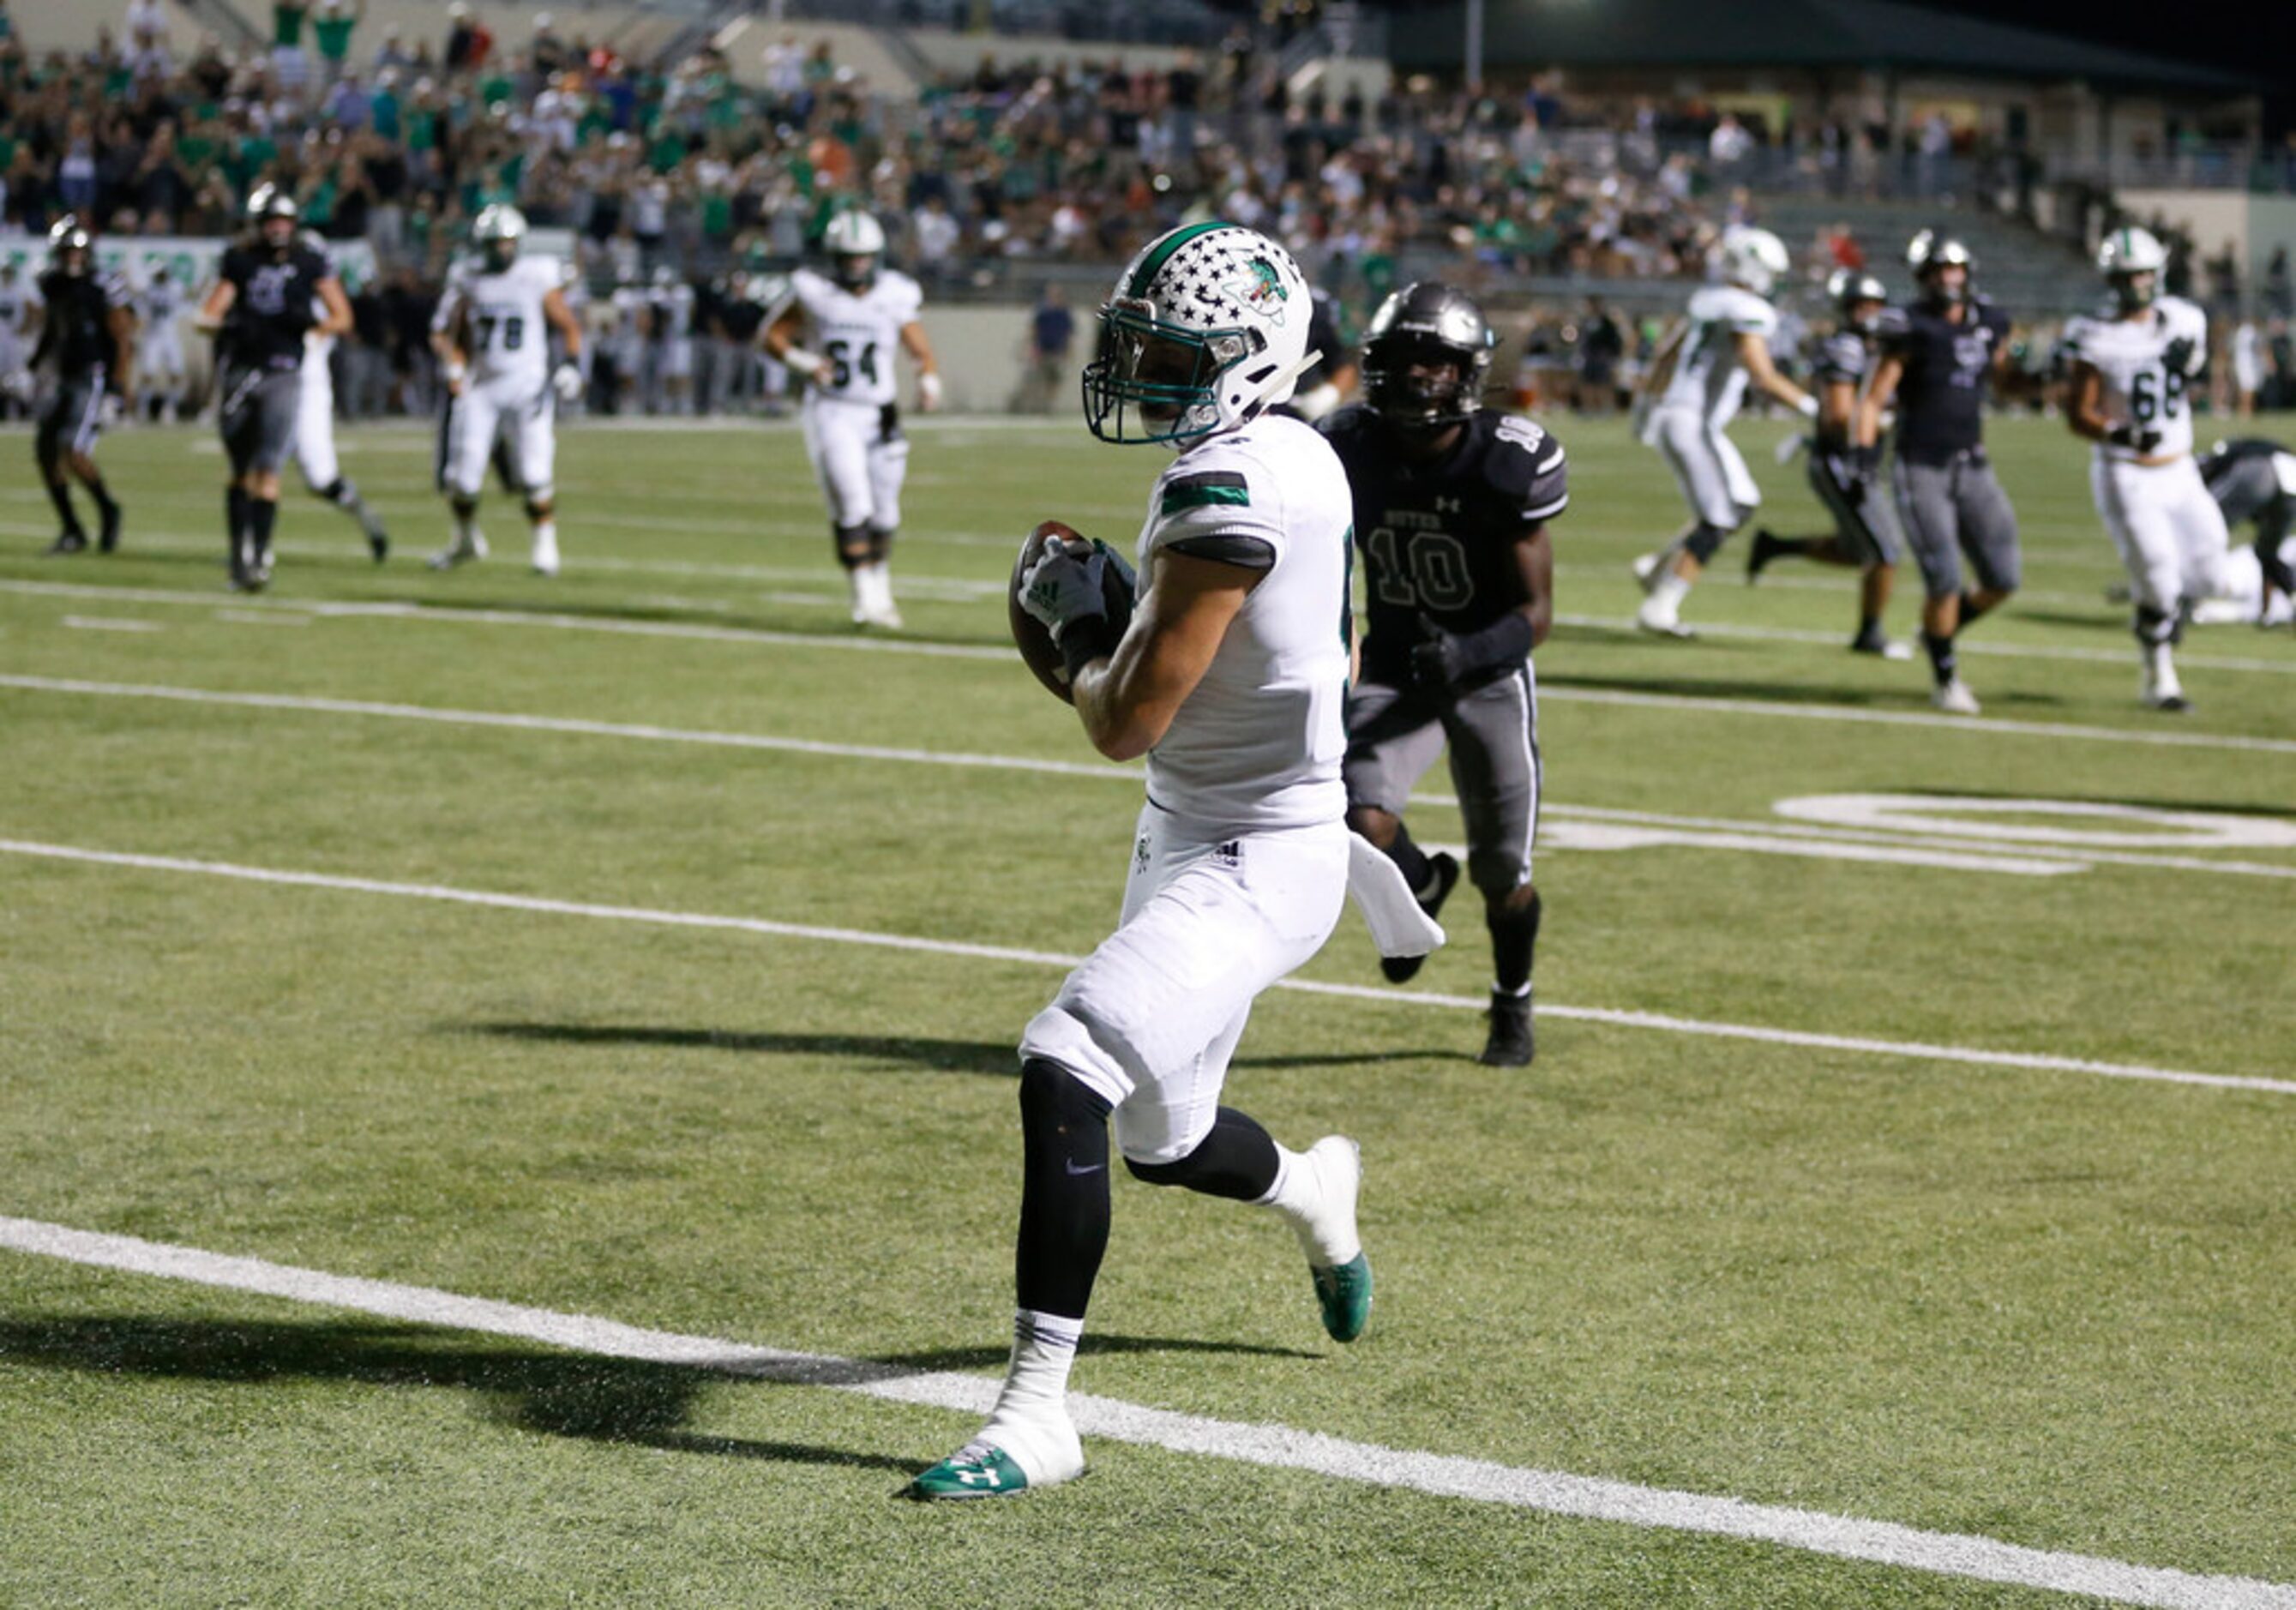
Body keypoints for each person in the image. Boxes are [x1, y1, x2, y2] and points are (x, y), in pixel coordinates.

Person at [906, 221, 1367, 1502]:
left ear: (1244, 356)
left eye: (1170, 356)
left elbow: (1121, 721)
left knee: (1066, 1062)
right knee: (1169, 1142)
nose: (1144, 377)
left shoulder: (1229, 487)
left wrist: (1070, 646)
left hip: (1257, 849)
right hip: (1199, 826)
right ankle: (1316, 1188)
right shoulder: (1295, 449)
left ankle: (1036, 1411)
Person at [1316, 282, 1562, 1066]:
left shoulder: (1506, 460)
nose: (1423, 377)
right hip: (1393, 666)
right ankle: (1418, 884)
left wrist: (1469, 654)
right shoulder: (1345, 445)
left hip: (1486, 674)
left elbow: (1536, 614)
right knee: (1361, 818)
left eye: (1439, 362)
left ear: (1468, 374)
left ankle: (1511, 1001)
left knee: (1503, 870)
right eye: (1407, 360)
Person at [2062, 227, 2230, 712]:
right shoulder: (2095, 333)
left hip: (2180, 468)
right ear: (2112, 279)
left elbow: (2190, 375)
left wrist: (2192, 367)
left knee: (2212, 572)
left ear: (2159, 272)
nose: (2138, 283)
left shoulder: (2183, 318)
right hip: (2126, 472)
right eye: (2128, 275)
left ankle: (2179, 611)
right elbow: (2078, 413)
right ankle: (2160, 678)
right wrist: (2122, 433)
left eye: (2144, 273)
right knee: (2158, 575)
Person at [1630, 225, 1818, 638]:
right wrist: (1812, 407)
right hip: (1693, 422)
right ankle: (1661, 606)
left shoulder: (1707, 301)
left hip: (1679, 418)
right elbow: (1763, 376)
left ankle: (1658, 568)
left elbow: (1664, 356)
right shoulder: (1746, 309)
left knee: (1741, 503)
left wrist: (1643, 410)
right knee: (1720, 516)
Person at [1860, 231, 2018, 714]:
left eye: (1953, 270)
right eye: (1937, 272)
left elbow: (2005, 382)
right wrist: (1863, 453)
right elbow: (1875, 395)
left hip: (1972, 464)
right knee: (1944, 579)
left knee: (2002, 578)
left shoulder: (1988, 322)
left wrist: (2042, 380)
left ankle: (1935, 635)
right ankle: (1946, 679)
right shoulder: (1912, 327)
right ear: (1924, 279)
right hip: (1921, 465)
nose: (1947, 279)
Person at [762, 210, 942, 629]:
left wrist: (929, 380)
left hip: (880, 413)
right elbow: (770, 335)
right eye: (848, 256)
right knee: (851, 501)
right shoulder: (815, 292)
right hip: (833, 409)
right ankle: (864, 595)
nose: (856, 264)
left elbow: (920, 349)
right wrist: (803, 360)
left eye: (863, 256)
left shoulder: (894, 293)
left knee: (885, 512)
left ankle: (879, 585)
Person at [1746, 267, 1907, 658]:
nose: (1868, 312)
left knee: (1858, 551)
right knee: (1885, 550)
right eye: (1860, 305)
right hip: (1842, 461)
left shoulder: (1872, 348)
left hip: (1854, 459)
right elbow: (1838, 417)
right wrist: (1884, 418)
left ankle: (1775, 546)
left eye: (1873, 305)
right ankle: (1870, 634)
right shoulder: (1846, 347)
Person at [196, 186, 348, 591]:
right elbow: (208, 315)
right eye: (271, 222)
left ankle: (259, 556)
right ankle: (237, 554)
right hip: (243, 372)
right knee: (240, 469)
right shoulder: (241, 260)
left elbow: (341, 316)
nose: (278, 229)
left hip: (284, 371)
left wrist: (312, 329)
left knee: (268, 467)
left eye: (284, 221)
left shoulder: (309, 261)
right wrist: (230, 325)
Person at [426, 205, 584, 576]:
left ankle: (545, 546)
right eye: (494, 243)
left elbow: (569, 326)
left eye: (507, 243)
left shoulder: (535, 276)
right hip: (481, 387)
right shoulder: (468, 278)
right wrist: (454, 364)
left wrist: (571, 366)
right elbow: (454, 333)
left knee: (533, 475)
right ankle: (465, 540)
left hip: (527, 385)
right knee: (461, 480)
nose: (501, 250)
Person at [33, 218, 134, 556]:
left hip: (95, 375)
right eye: (67, 252)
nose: (73, 258)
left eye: (78, 251)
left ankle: (108, 508)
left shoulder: (103, 284)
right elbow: (54, 328)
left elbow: (122, 338)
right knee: (46, 451)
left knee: (72, 449)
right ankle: (72, 528)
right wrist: (31, 366)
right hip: (65, 374)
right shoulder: (53, 283)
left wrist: (117, 388)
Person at [292, 248, 389, 562]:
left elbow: (340, 320)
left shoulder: (320, 302)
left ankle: (366, 519)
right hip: (266, 384)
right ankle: (251, 552)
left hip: (305, 390)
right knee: (254, 469)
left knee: (320, 478)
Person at [2196, 436, 2296, 623]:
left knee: (2203, 529)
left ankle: (2185, 599)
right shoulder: (2254, 448)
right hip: (2292, 487)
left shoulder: (2224, 461)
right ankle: (2287, 602)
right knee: (2267, 552)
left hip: (2263, 472)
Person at [135, 262, 187, 423]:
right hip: (153, 336)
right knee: (148, 373)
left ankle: (170, 408)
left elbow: (188, 299)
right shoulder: (150, 290)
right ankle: (142, 409)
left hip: (170, 336)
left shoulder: (176, 287)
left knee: (177, 373)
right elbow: (141, 308)